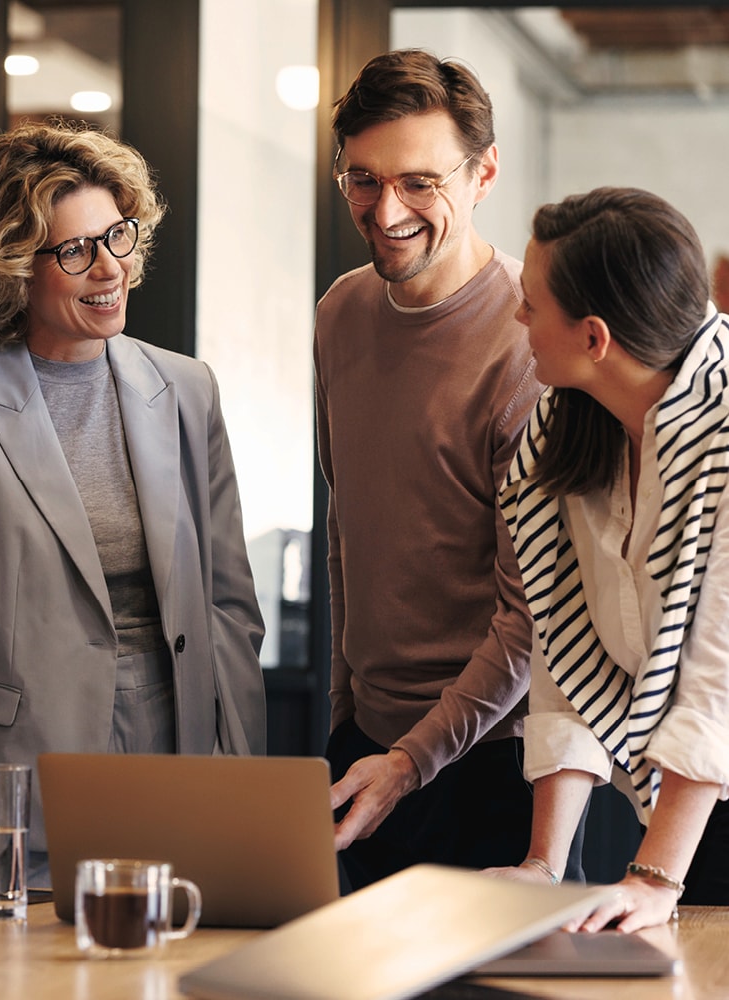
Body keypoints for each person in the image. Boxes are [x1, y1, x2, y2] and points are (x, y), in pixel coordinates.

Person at [0, 120, 266, 886]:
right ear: (15, 268)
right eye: (76, 250)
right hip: (23, 765)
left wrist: (240, 775)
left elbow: (231, 606)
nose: (110, 267)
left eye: (119, 236)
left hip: (174, 754)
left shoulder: (185, 387)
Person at [314, 48, 569, 892]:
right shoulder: (341, 312)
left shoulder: (529, 347)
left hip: (490, 762)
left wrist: (411, 760)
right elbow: (347, 528)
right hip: (362, 750)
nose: (386, 211)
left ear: (484, 172)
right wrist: (348, 719)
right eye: (362, 179)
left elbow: (530, 618)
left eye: (420, 182)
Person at [490, 186, 729, 932]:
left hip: (694, 789)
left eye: (531, 304)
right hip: (688, 805)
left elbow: (719, 679)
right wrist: (543, 866)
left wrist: (656, 877)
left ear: (594, 338)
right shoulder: (566, 429)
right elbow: (565, 648)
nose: (517, 318)